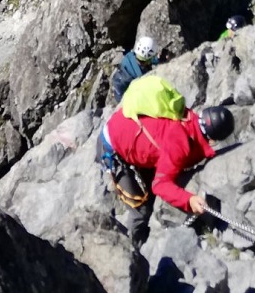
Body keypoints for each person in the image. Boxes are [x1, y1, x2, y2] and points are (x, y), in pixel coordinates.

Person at [98, 74, 234, 244]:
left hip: (125, 127)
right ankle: (131, 250)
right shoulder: (180, 144)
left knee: (152, 193)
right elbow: (160, 185)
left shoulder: (187, 116)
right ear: (213, 140)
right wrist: (189, 199)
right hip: (112, 148)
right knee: (140, 211)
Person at [111, 35, 158, 103]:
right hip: (126, 100)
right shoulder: (141, 75)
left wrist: (156, 59)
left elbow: (144, 59)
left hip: (119, 92)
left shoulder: (129, 56)